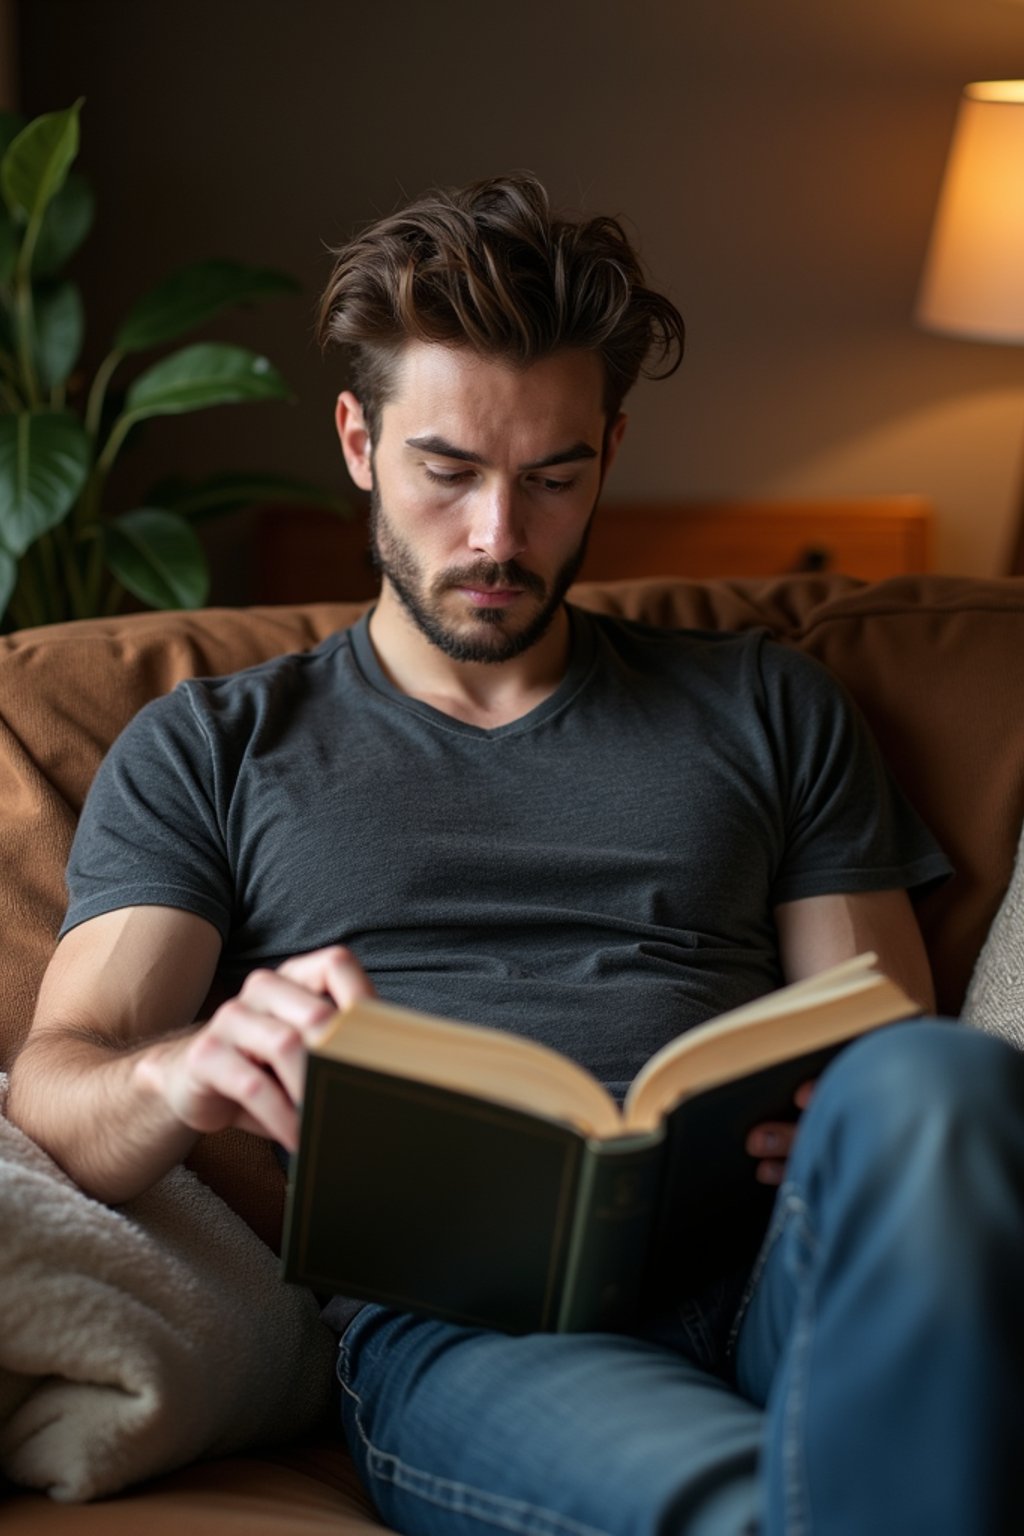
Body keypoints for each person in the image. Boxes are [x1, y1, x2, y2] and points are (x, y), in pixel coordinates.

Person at [8, 173, 1024, 1535]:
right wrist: (188, 1070)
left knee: (940, 1076)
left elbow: (876, 1030)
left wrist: (832, 1114)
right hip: (474, 1328)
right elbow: (59, 1085)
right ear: (360, 441)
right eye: (450, 471)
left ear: (608, 448)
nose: (498, 537)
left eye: (553, 478)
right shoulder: (218, 746)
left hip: (782, 1269)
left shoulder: (768, 705)